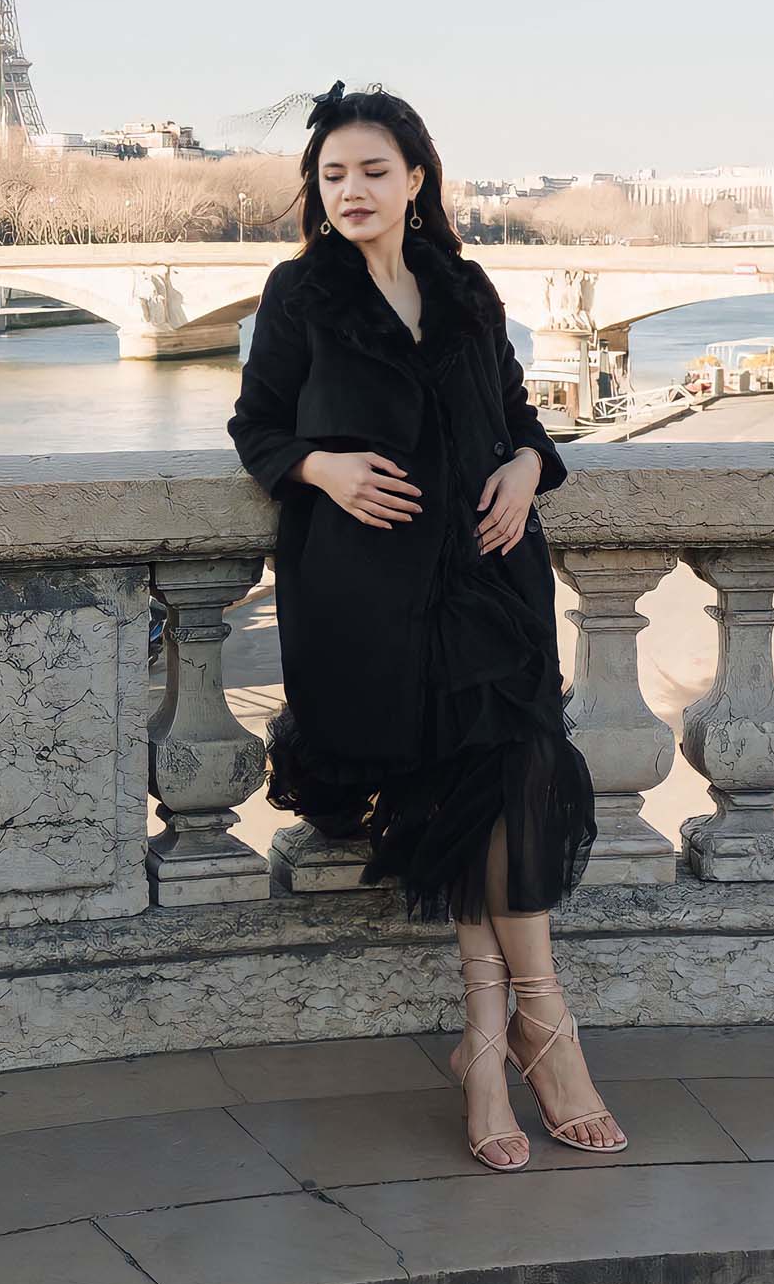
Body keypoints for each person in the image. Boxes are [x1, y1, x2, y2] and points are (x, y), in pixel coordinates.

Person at [229, 82, 618, 1173]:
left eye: (370, 170)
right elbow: (256, 426)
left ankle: (498, 1041)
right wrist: (322, 467)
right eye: (330, 174)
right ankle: (531, 1035)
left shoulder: (465, 286)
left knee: (512, 772)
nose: (348, 189)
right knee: (461, 791)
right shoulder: (300, 293)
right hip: (371, 596)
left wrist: (527, 465)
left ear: (415, 179)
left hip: (489, 579)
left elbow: (521, 416)